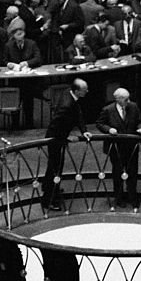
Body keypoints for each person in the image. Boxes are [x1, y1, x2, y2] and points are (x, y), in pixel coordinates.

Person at [41, 78, 90, 211]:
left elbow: (78, 114)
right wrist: (66, 138)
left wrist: (84, 131)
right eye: (84, 90)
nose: (87, 92)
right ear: (77, 91)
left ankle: (51, 190)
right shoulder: (67, 105)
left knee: (56, 167)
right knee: (54, 168)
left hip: (59, 137)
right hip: (55, 139)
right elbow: (56, 124)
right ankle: (48, 199)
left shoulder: (69, 94)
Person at [96, 87, 141, 208]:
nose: (128, 101)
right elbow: (100, 123)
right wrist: (108, 129)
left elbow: (140, 120)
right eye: (126, 99)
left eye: (128, 99)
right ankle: (119, 198)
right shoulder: (108, 110)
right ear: (118, 99)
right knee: (117, 173)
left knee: (132, 172)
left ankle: (133, 197)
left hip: (131, 146)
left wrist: (140, 127)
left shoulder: (134, 106)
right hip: (116, 147)